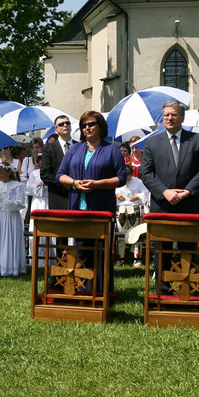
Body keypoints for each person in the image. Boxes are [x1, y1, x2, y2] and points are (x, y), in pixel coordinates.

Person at [56, 110, 126, 292]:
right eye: (84, 125)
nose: (87, 128)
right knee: (81, 250)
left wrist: (98, 184)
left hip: (101, 208)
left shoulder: (112, 150)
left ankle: (101, 291)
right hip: (78, 208)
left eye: (91, 124)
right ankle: (83, 288)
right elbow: (60, 175)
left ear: (100, 126)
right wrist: (74, 183)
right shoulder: (75, 149)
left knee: (100, 250)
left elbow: (121, 178)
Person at [140, 101, 199, 215]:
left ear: (182, 118)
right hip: (162, 206)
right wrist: (164, 192)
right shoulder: (152, 143)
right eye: (166, 115)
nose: (169, 118)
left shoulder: (197, 140)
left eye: (174, 114)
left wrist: (188, 191)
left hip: (191, 205)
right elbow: (145, 172)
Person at [0, 161, 26, 276]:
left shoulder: (18, 185)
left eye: (2, 173)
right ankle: (3, 265)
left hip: (12, 216)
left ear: (9, 173)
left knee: (12, 238)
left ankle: (14, 266)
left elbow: (21, 203)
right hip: (1, 216)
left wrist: (10, 203)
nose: (0, 176)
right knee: (2, 238)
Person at [115, 163, 148, 267]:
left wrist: (138, 196)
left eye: (129, 177)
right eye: (126, 178)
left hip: (134, 210)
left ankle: (137, 259)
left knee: (136, 235)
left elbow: (146, 192)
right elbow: (110, 191)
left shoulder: (138, 182)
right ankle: (120, 259)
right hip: (121, 210)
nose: (128, 180)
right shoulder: (117, 181)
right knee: (120, 236)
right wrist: (116, 195)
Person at [40, 115, 73, 210]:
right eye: (61, 124)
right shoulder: (48, 149)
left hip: (79, 196)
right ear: (56, 130)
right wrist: (65, 184)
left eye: (67, 123)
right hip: (58, 197)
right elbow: (45, 174)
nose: (65, 125)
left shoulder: (80, 146)